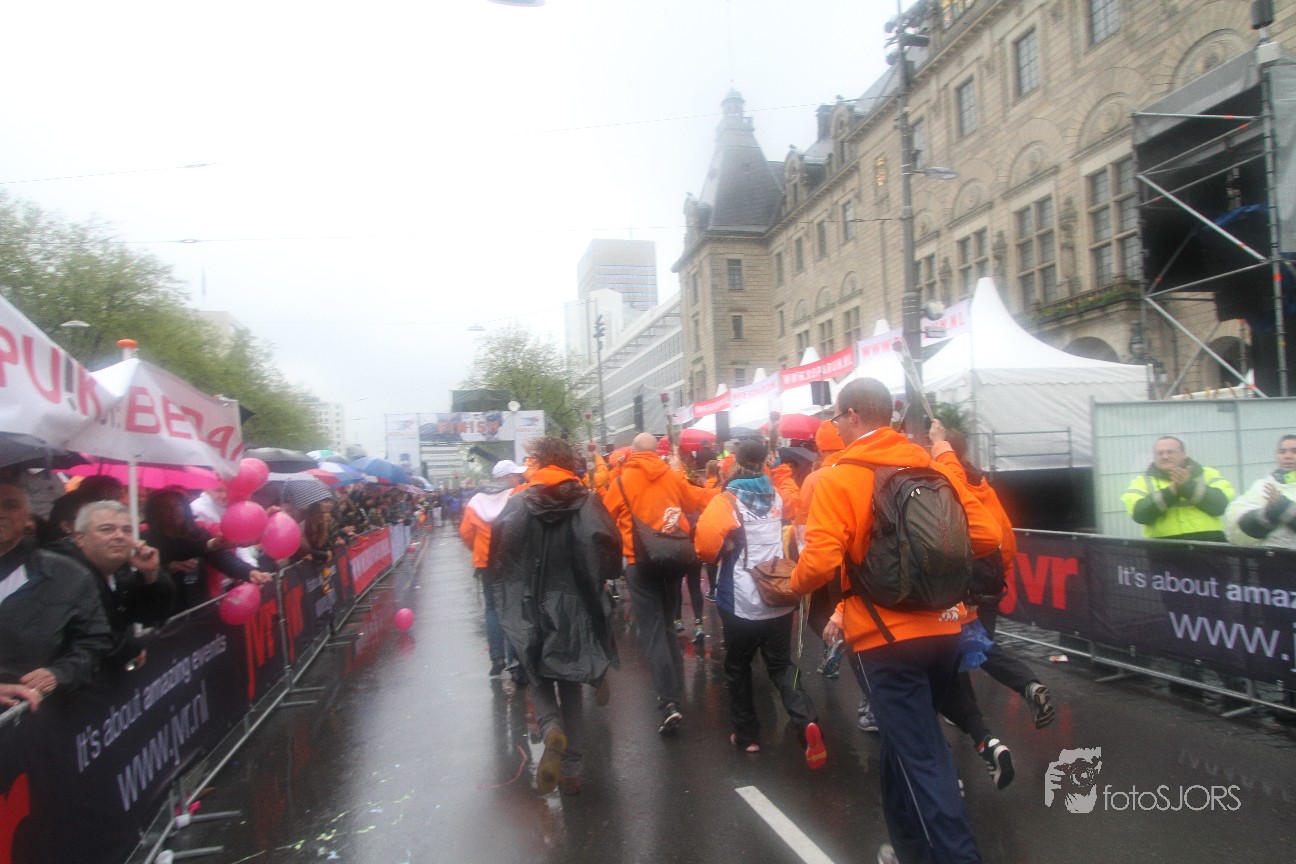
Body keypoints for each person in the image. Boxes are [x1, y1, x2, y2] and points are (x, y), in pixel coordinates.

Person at [790, 379, 1001, 864]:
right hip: (944, 630)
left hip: (883, 640)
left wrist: (792, 584)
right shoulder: (929, 466)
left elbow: (819, 564)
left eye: (837, 418)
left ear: (853, 416)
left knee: (923, 757)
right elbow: (987, 536)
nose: (836, 427)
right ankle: (909, 849)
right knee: (901, 747)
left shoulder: (839, 477)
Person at [486, 438, 619, 796]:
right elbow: (608, 542)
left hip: (531, 602)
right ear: (568, 463)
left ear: (540, 462)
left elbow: (500, 551)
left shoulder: (519, 503)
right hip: (573, 602)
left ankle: (550, 729)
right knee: (570, 682)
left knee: (536, 672)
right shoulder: (586, 500)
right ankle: (572, 770)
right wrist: (602, 577)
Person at [694, 439, 825, 767]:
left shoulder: (727, 500)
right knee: (781, 665)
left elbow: (705, 547)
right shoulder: (777, 496)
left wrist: (725, 545)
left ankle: (747, 736)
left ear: (736, 462)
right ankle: (806, 720)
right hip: (779, 595)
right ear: (766, 461)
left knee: (738, 668)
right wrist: (780, 470)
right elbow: (797, 504)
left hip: (741, 603)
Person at [930, 421, 1056, 730]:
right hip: (988, 583)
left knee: (961, 647)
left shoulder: (945, 484)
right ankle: (1024, 686)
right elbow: (1005, 538)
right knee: (977, 645)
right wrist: (1000, 578)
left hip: (961, 585)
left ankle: (972, 719)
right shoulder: (982, 486)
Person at [602, 432, 718, 734]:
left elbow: (604, 520)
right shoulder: (672, 476)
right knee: (667, 625)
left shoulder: (620, 482)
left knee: (653, 632)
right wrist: (722, 489)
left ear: (632, 453)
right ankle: (676, 688)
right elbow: (697, 500)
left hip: (639, 563)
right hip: (673, 559)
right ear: (657, 452)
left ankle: (668, 702)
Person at [0, 479, 111, 707]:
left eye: (10, 505)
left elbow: (94, 641)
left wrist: (59, 674)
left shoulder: (68, 575)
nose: (0, 513)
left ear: (28, 518)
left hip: (34, 715)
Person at [47, 500, 174, 671]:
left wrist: (150, 574)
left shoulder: (116, 569)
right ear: (80, 538)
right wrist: (129, 649)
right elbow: (87, 642)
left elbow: (150, 615)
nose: (119, 536)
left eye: (126, 530)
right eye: (107, 529)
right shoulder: (62, 575)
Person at [142, 487, 271, 612]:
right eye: (166, 507)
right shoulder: (145, 539)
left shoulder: (194, 532)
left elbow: (219, 556)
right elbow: (138, 574)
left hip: (198, 605)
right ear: (155, 512)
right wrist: (167, 568)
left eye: (177, 505)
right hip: (165, 610)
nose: (174, 511)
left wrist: (248, 572)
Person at [460, 459, 527, 676]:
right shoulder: (517, 495)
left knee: (492, 608)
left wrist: (477, 548)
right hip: (511, 560)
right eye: (515, 475)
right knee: (512, 607)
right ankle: (514, 661)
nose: (519, 477)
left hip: (485, 562)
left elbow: (466, 532)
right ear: (505, 477)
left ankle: (497, 657)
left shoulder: (476, 501)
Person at [1122, 436, 1233, 541]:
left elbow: (1221, 505)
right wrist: (1171, 491)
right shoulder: (1141, 481)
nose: (1165, 457)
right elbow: (1140, 515)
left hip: (1210, 544)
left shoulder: (1208, 473)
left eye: (1170, 452)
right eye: (1159, 453)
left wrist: (1188, 486)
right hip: (1163, 548)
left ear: (1184, 454)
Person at [1224, 433, 1296, 549]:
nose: (1288, 456)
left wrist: (1285, 508)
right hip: (1270, 559)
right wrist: (1267, 515)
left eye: (1294, 451)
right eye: (1282, 452)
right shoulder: (1262, 487)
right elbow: (1235, 532)